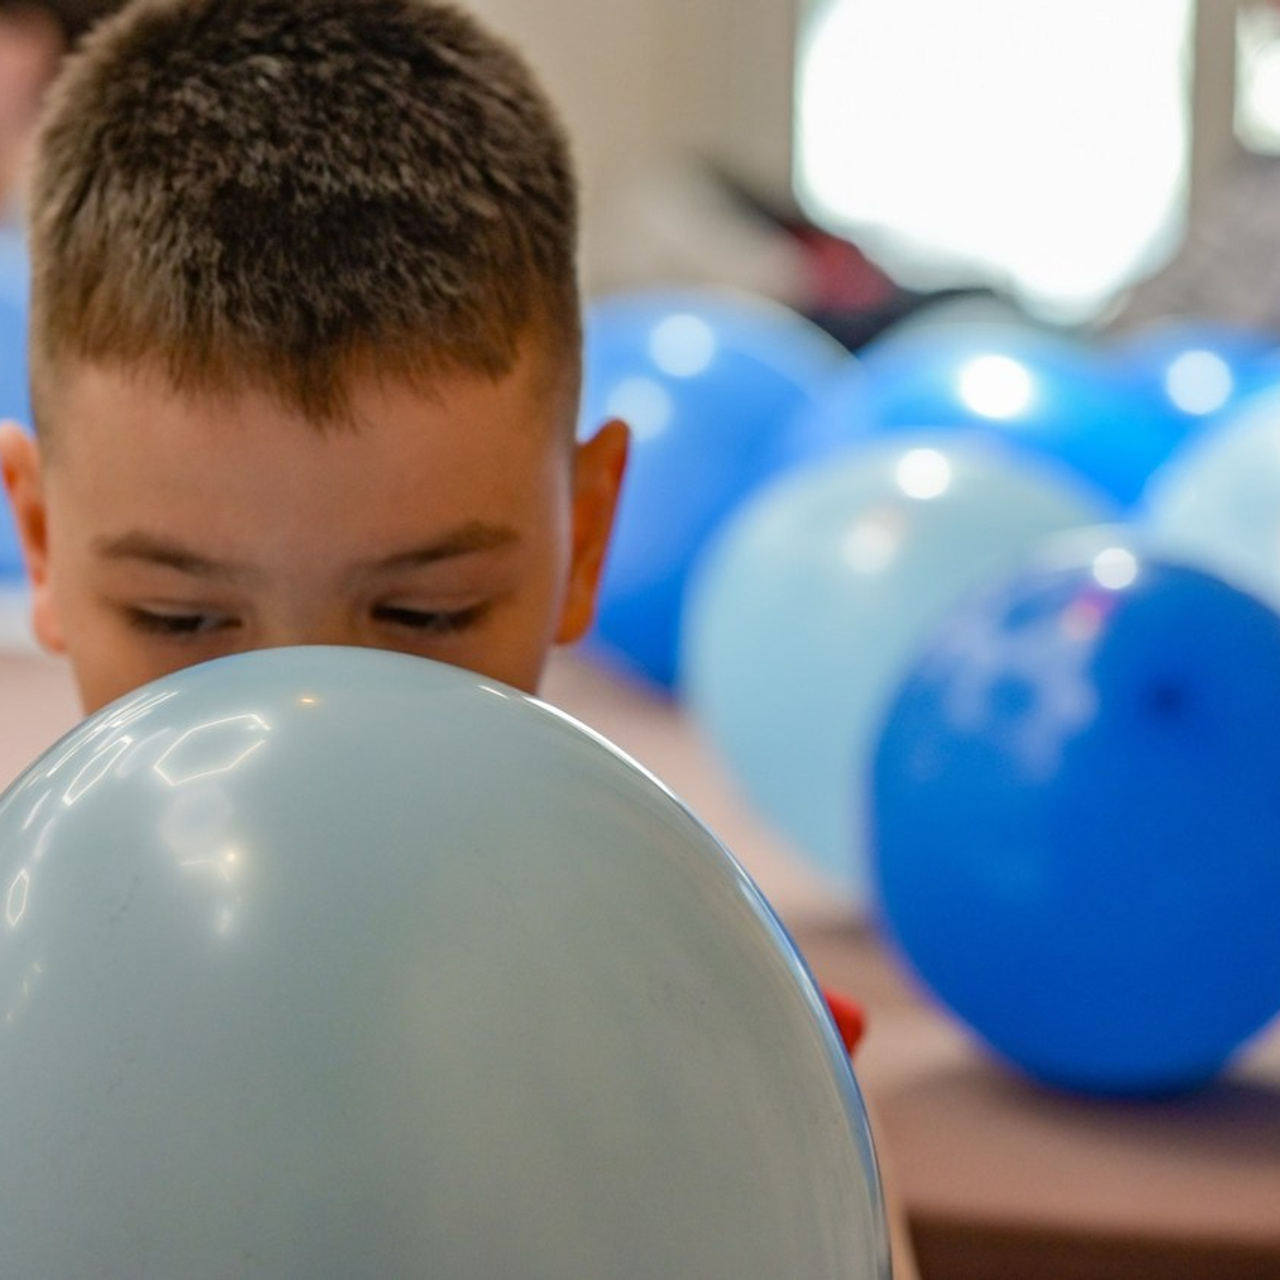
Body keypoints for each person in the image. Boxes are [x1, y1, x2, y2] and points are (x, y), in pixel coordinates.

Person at [0, 0, 914, 1272]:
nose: (301, 735)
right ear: (42, 543)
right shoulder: (19, 997)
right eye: (182, 617)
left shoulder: (728, 1041)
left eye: (422, 615)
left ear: (584, 537)